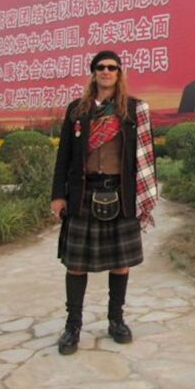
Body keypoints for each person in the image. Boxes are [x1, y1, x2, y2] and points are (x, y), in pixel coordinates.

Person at [50, 50, 157, 355]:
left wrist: (143, 196)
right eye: (101, 67)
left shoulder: (134, 110)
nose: (106, 71)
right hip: (83, 194)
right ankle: (72, 326)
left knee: (121, 264)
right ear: (93, 73)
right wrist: (58, 195)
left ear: (119, 73)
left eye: (112, 67)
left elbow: (146, 156)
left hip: (120, 194)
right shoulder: (77, 110)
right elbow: (64, 156)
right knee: (75, 265)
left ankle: (116, 320)